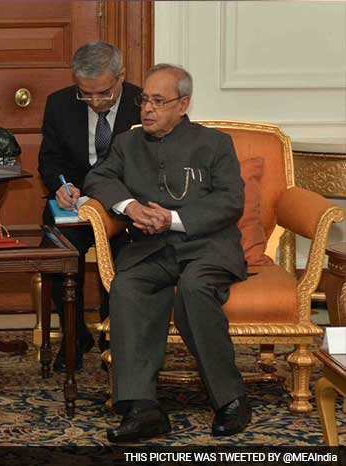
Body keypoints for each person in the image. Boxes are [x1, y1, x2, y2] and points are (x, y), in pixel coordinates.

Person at [84, 64, 251, 442]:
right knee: (127, 288)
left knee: (194, 288)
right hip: (151, 251)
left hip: (206, 247)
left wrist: (172, 219)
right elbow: (97, 177)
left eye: (159, 101)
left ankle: (230, 398)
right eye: (144, 99)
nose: (147, 109)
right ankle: (142, 407)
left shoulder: (214, 143)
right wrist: (129, 207)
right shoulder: (128, 143)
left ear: (184, 104)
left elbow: (231, 201)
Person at [37, 42, 141, 372]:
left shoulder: (145, 104)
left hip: (125, 209)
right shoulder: (59, 104)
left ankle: (116, 337)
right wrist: (60, 185)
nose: (95, 102)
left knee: (127, 260)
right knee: (55, 256)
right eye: (86, 94)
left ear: (121, 77)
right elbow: (49, 159)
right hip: (75, 206)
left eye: (104, 94)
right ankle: (74, 335)